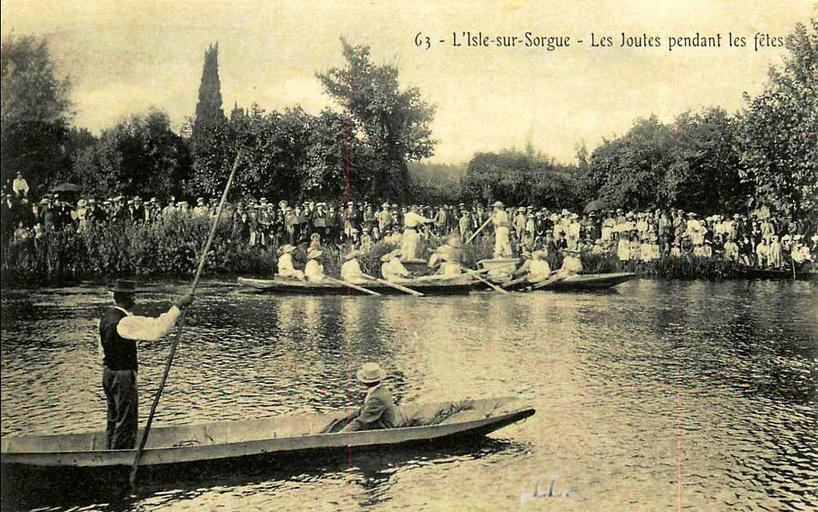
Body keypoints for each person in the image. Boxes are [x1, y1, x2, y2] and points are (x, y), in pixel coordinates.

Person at [100, 280, 192, 449]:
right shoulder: (124, 321)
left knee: (114, 418)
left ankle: (109, 452)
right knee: (126, 421)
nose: (135, 299)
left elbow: (106, 347)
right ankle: (122, 456)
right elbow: (157, 329)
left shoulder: (106, 317)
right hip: (123, 377)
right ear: (128, 298)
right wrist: (178, 307)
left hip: (108, 373)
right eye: (133, 295)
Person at [341, 362, 397, 432]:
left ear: (365, 382)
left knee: (353, 428)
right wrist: (353, 415)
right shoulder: (380, 390)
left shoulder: (376, 398)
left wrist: (341, 433)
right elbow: (366, 408)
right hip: (377, 422)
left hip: (383, 430)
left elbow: (362, 421)